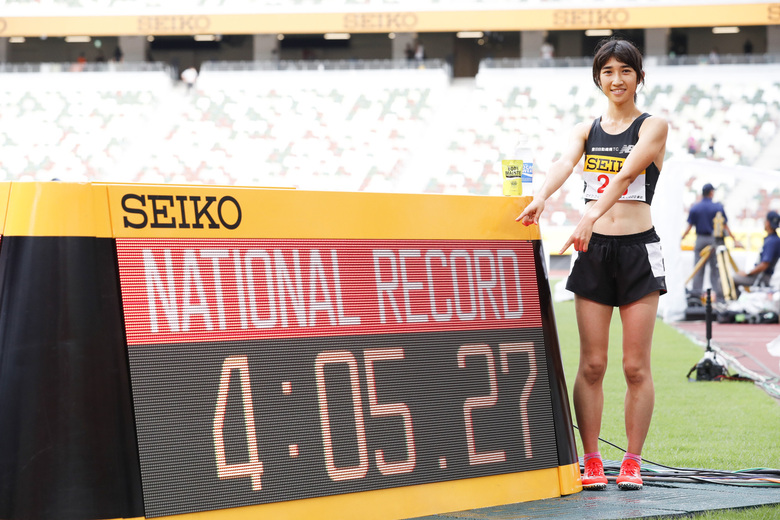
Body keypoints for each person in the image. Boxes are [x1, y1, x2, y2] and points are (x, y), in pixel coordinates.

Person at [517, 38, 668, 491]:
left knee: (635, 366)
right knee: (593, 365)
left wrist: (586, 215)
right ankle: (592, 459)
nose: (616, 80)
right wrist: (541, 196)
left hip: (638, 250)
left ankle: (633, 461)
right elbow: (565, 162)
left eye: (625, 71)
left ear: (639, 76)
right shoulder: (586, 129)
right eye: (608, 72)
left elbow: (625, 176)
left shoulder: (653, 126)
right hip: (595, 252)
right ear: (597, 78)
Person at [681, 183, 741, 301]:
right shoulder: (717, 207)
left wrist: (681, 238)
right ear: (711, 192)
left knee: (698, 268)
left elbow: (689, 226)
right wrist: (734, 240)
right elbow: (725, 225)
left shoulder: (695, 207)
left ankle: (696, 295)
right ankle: (719, 294)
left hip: (700, 240)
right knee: (716, 268)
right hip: (714, 240)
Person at [732, 211, 780, 288]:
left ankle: (725, 299)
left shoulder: (772, 241)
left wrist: (747, 273)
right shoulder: (774, 239)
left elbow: (764, 265)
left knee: (729, 280)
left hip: (761, 277)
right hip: (761, 276)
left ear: (767, 222)